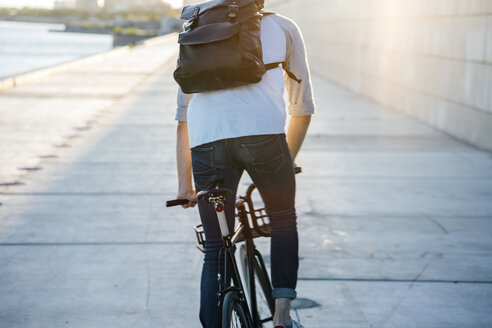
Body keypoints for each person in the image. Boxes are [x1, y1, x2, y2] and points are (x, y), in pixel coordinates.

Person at [175, 10, 315, 328]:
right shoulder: (282, 26)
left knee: (215, 245)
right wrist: (285, 161)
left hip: (206, 143)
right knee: (282, 221)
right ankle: (281, 317)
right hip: (264, 139)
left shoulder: (194, 30)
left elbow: (183, 116)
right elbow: (303, 107)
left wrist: (185, 185)